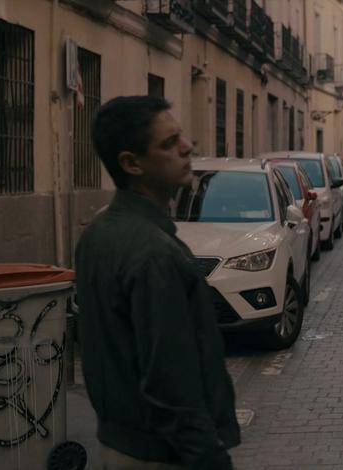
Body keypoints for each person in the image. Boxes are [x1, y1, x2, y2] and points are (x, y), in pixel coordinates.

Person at [75, 96, 240, 469]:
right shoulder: (155, 254)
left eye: (180, 136)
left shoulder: (98, 232)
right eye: (168, 143)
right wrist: (211, 459)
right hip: (163, 455)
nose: (187, 148)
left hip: (118, 445)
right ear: (131, 163)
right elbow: (170, 383)